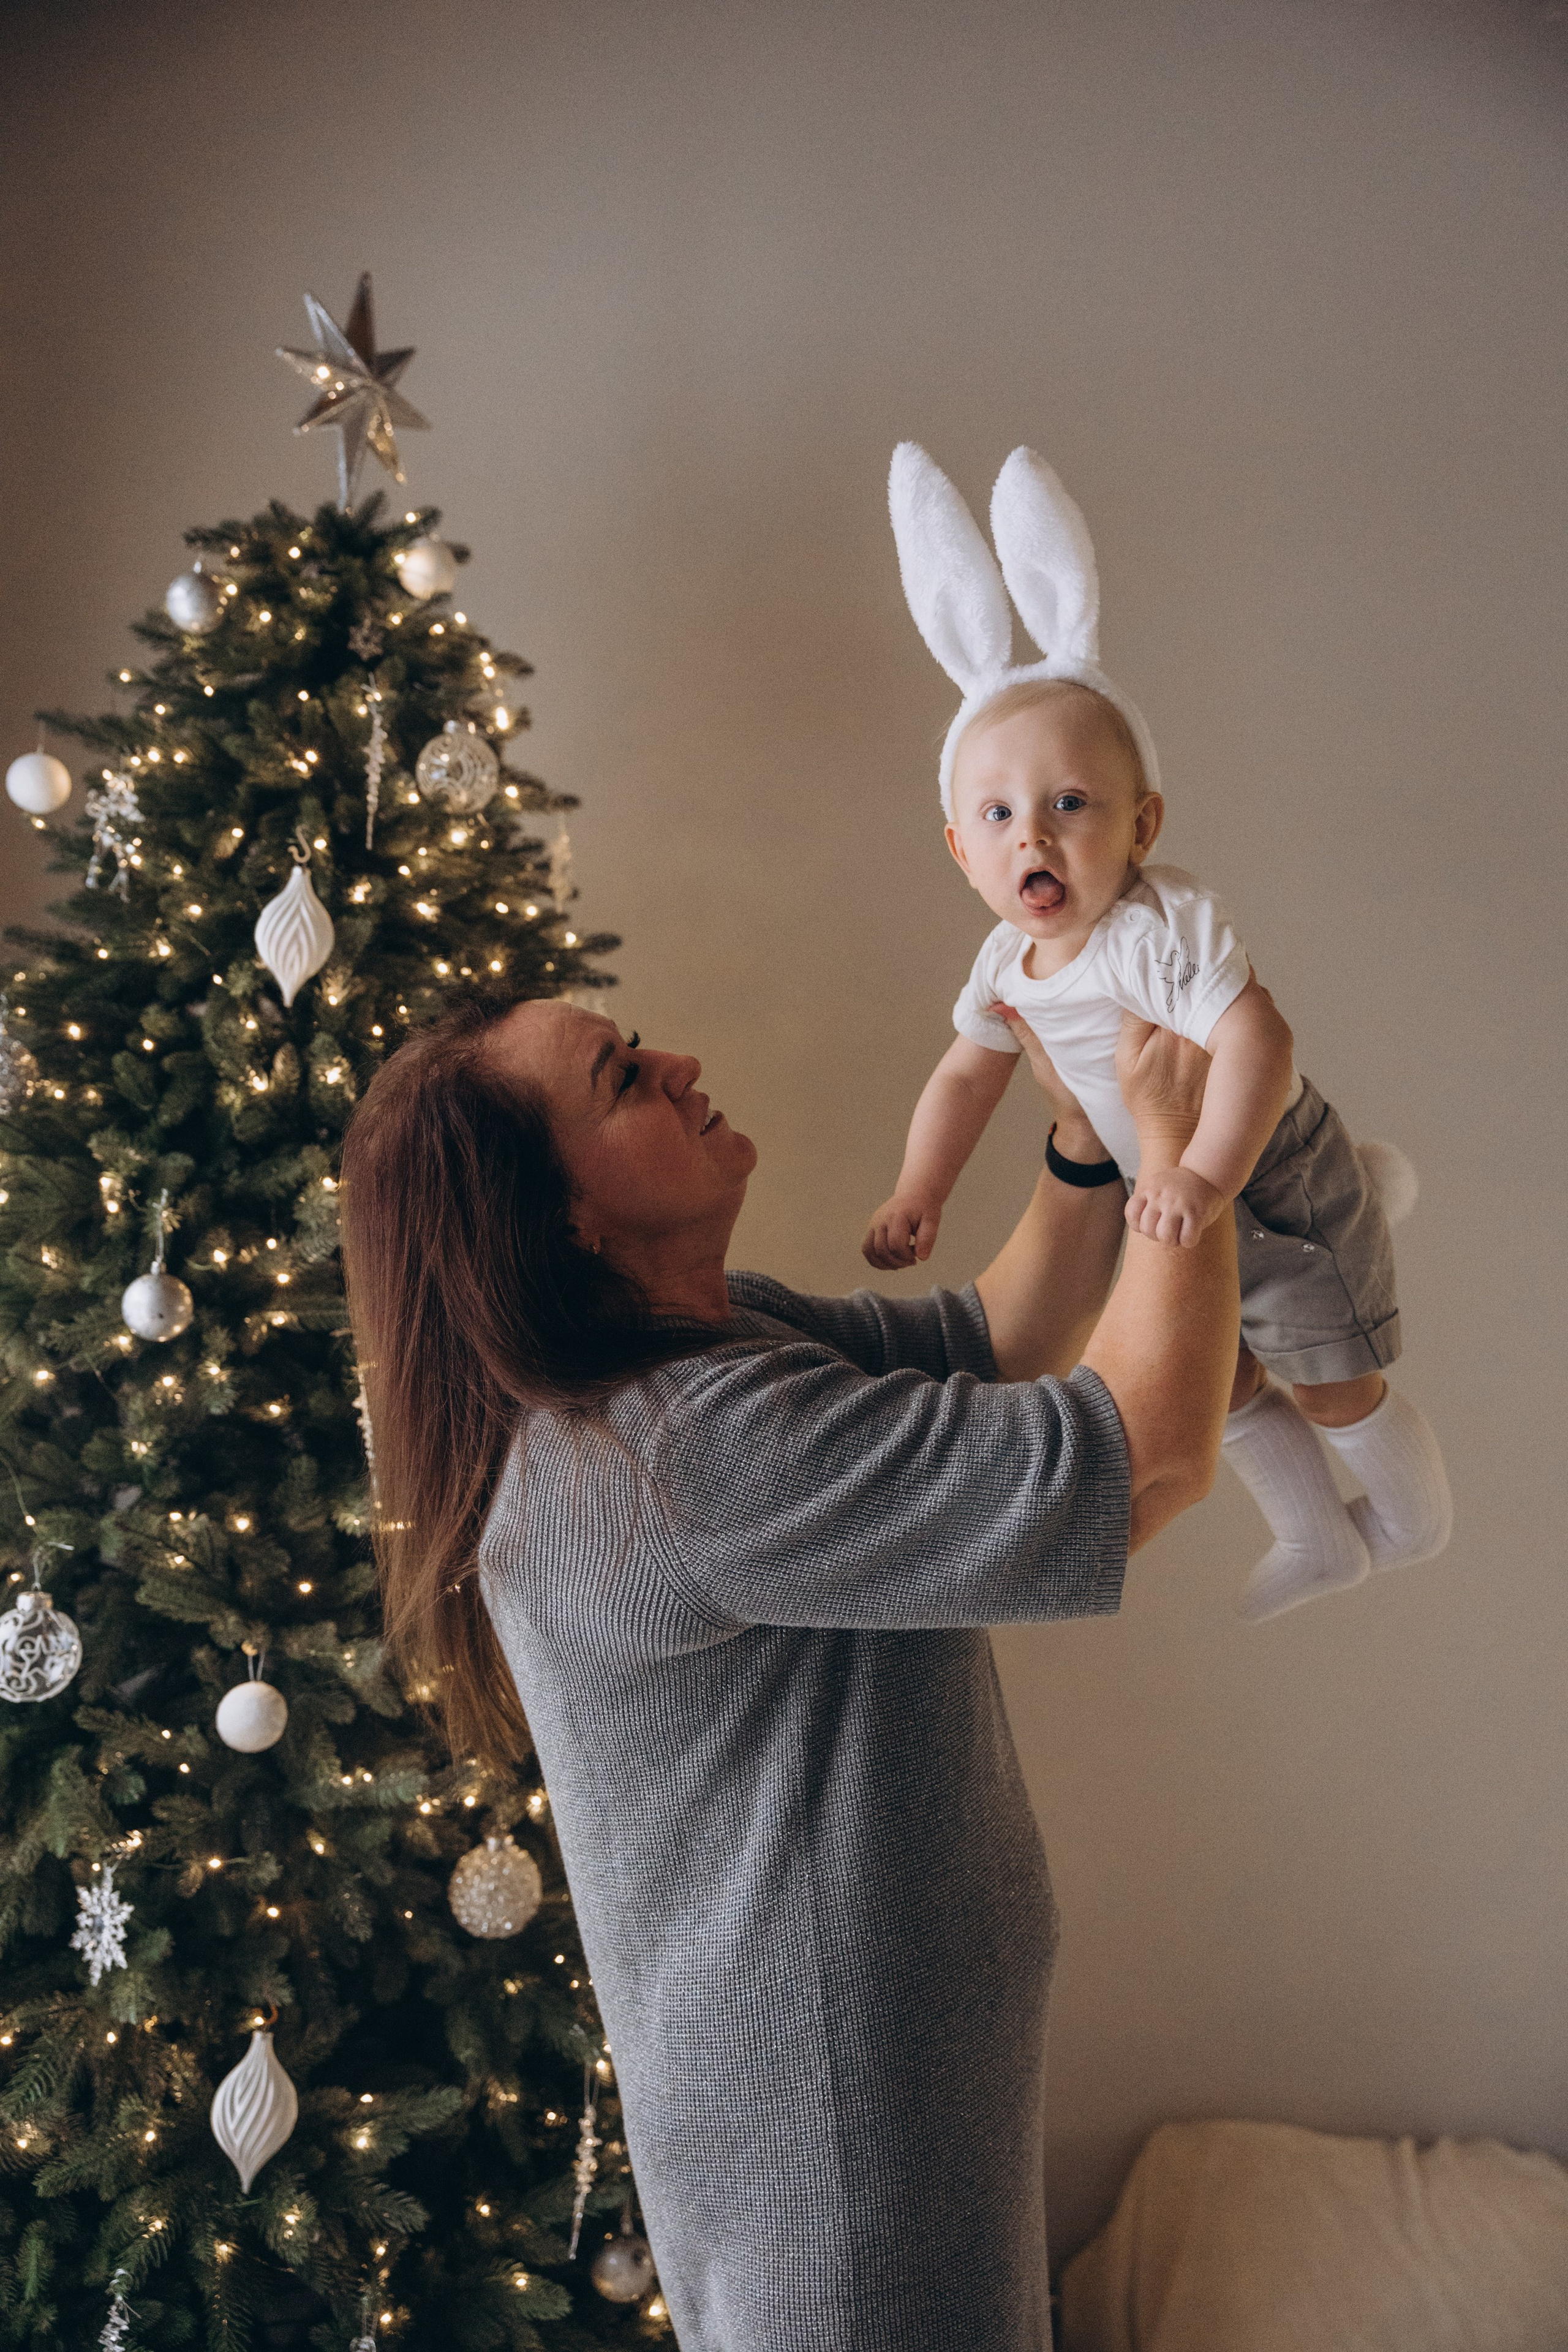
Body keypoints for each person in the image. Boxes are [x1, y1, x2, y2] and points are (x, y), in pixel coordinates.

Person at [340, 982, 1235, 2352]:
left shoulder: (700, 1352)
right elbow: (1145, 1459)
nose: (681, 1060)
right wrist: (1196, 1169)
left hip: (882, 2114)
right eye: (624, 1077)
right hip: (840, 2175)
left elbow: (991, 1346)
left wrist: (1084, 1147)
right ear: (564, 1221)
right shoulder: (674, 1451)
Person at [867, 439, 1452, 1622]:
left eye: (1071, 805)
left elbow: (1259, 1042)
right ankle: (1318, 1540)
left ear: (1142, 825)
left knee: (1329, 1379)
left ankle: (1413, 1523)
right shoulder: (1004, 962)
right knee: (1218, 1378)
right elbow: (965, 1078)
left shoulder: (1154, 928)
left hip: (1263, 1174)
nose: (1035, 835)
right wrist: (917, 1189)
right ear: (961, 851)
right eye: (1000, 814)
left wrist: (1202, 1169)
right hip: (1167, 1184)